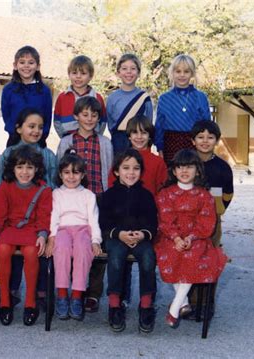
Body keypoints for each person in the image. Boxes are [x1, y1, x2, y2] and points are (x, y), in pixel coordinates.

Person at [154, 149, 228, 329]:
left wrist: (191, 237)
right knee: (169, 254)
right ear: (173, 171)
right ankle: (184, 302)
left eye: (189, 167)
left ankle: (175, 308)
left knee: (191, 256)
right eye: (179, 167)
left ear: (198, 170)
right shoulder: (165, 193)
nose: (184, 171)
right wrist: (176, 238)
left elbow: (206, 221)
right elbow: (165, 219)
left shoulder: (204, 195)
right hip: (170, 236)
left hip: (197, 238)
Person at [56, 96, 113, 314]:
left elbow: (108, 171)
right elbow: (59, 171)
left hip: (98, 197)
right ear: (76, 116)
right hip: (73, 200)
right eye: (85, 114)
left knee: (97, 246)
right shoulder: (67, 142)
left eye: (94, 115)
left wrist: (107, 198)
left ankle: (93, 293)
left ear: (100, 119)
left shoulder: (105, 143)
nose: (89, 119)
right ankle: (71, 289)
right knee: (72, 245)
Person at [0, 145, 52, 326]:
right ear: (12, 169)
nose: (25, 172)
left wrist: (42, 234)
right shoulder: (5, 188)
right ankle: (4, 300)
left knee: (32, 252)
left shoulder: (44, 190)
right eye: (20, 167)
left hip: (31, 230)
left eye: (29, 167)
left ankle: (30, 302)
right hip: (10, 229)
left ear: (37, 169)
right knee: (3, 249)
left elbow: (44, 215)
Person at [107, 114, 167, 308]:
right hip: (121, 221)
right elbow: (112, 188)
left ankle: (147, 300)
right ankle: (120, 298)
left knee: (147, 256)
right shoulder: (121, 159)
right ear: (129, 136)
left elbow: (161, 191)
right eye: (135, 132)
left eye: (144, 133)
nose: (139, 137)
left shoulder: (157, 162)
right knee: (119, 257)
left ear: (150, 136)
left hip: (145, 220)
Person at [99, 149, 158, 333]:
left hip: (140, 237)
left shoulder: (147, 195)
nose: (131, 172)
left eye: (136, 168)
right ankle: (115, 305)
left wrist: (143, 234)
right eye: (126, 168)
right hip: (115, 236)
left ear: (141, 171)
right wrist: (118, 234)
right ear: (116, 171)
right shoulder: (108, 195)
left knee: (148, 256)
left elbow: (152, 222)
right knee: (115, 257)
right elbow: (103, 222)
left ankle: (146, 305)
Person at [45, 150, 102, 321]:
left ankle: (77, 295)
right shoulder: (56, 194)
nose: (71, 177)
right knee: (60, 249)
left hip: (83, 229)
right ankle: (62, 295)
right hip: (62, 229)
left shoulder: (88, 195)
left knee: (83, 250)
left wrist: (95, 241)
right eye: (67, 172)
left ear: (83, 174)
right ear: (61, 174)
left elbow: (93, 219)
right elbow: (54, 217)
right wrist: (52, 237)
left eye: (76, 172)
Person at [184, 120, 234, 318]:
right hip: (186, 222)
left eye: (210, 137)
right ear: (193, 140)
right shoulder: (185, 164)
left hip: (212, 223)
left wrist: (217, 212)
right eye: (200, 137)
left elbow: (228, 195)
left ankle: (206, 303)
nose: (205, 141)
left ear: (217, 141)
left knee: (208, 260)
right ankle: (190, 302)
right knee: (189, 260)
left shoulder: (222, 167)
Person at [154, 54, 211, 164]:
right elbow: (159, 126)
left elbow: (206, 125)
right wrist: (160, 148)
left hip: (194, 145)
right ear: (172, 73)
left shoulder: (200, 97)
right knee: (171, 179)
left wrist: (205, 148)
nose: (182, 75)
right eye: (178, 71)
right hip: (170, 145)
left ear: (192, 73)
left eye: (186, 71)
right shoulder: (164, 98)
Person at [1, 45, 52, 146]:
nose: (26, 66)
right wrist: (15, 133)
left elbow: (47, 117)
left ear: (38, 66)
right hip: (14, 142)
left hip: (38, 141)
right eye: (22, 62)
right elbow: (7, 116)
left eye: (31, 62)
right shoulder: (8, 90)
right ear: (15, 65)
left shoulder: (44, 91)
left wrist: (40, 136)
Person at [106, 53, 153, 155]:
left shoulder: (145, 98)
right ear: (118, 72)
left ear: (139, 72)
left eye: (133, 68)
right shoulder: (112, 98)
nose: (128, 72)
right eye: (124, 68)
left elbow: (148, 123)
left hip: (139, 142)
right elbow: (110, 123)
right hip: (118, 143)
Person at [53, 55, 107, 138]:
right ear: (69, 74)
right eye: (74, 73)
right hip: (68, 141)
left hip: (92, 141)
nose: (78, 76)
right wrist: (65, 138)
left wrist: (96, 138)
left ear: (90, 76)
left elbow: (102, 122)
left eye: (83, 73)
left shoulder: (97, 98)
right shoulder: (62, 97)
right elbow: (57, 121)